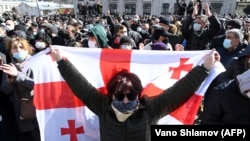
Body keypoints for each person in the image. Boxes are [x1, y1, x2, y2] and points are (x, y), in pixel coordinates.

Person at [50, 45, 220, 141]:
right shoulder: (102, 106)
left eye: (130, 96)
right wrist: (60, 61)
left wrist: (204, 67)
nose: (125, 100)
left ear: (138, 94)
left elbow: (180, 91)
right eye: (119, 95)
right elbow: (80, 86)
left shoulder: (151, 108)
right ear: (111, 95)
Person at [0, 37, 40, 141]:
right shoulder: (9, 66)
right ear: (10, 51)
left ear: (27, 49)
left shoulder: (36, 64)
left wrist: (17, 75)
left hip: (36, 108)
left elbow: (38, 85)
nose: (18, 50)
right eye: (14, 48)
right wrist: (9, 82)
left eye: (21, 47)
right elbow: (5, 90)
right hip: (20, 111)